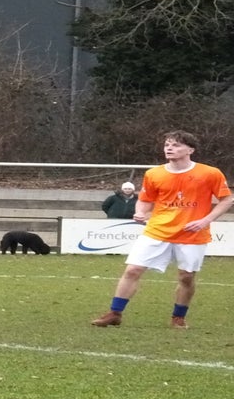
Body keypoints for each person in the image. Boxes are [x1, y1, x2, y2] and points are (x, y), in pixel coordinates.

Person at [91, 130, 232, 329]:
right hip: (157, 230)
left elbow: (227, 199)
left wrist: (205, 221)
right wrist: (140, 212)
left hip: (192, 233)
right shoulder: (154, 174)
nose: (169, 148)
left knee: (186, 276)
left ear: (190, 150)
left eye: (176, 145)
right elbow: (145, 200)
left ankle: (178, 317)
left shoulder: (209, 173)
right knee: (132, 270)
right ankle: (115, 313)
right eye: (167, 145)